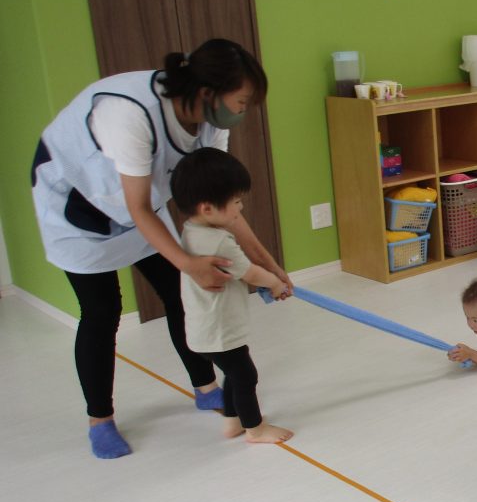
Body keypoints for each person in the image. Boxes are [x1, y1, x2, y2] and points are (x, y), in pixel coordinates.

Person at [30, 38, 291, 459]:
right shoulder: (130, 114)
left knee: (177, 292)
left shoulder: (210, 121)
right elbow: (135, 206)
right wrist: (189, 261)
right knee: (101, 311)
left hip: (141, 209)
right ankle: (100, 420)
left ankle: (205, 387)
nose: (243, 112)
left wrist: (270, 265)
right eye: (242, 102)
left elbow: (220, 204)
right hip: (77, 204)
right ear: (207, 92)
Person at [171, 148, 292, 444]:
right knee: (245, 376)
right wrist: (275, 283)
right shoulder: (218, 242)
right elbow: (250, 273)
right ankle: (255, 429)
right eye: (236, 201)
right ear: (207, 209)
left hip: (205, 329)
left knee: (233, 373)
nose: (240, 208)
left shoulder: (190, 231)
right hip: (221, 329)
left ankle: (231, 421)